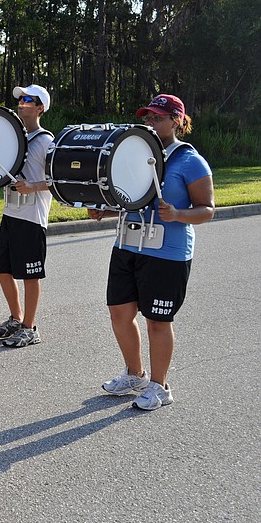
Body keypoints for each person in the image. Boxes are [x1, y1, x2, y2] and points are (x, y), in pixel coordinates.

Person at [93, 94, 214, 410]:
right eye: (147, 118)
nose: (150, 122)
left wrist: (178, 214)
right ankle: (135, 374)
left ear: (175, 120)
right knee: (119, 312)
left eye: (157, 117)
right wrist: (105, 211)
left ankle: (160, 387)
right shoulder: (133, 155)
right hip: (127, 245)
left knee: (157, 321)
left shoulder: (190, 160)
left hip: (167, 252)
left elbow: (207, 209)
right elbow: (129, 199)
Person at [0, 84, 54, 347]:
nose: (22, 102)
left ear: (40, 108)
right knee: (2, 270)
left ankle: (30, 327)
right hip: (11, 212)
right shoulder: (14, 139)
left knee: (30, 275)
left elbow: (59, 179)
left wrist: (33, 186)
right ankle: (16, 318)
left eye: (29, 99)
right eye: (20, 98)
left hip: (32, 217)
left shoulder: (47, 141)